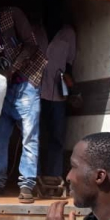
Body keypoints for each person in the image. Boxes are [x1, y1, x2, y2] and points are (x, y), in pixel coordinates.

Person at [0, 1, 47, 203]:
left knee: (29, 137)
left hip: (26, 83)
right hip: (4, 88)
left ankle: (27, 186)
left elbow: (31, 44)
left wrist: (11, 70)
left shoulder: (12, 14)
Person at [40, 24, 77, 181]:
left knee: (57, 136)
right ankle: (36, 176)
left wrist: (69, 80)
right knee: (37, 135)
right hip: (38, 91)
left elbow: (70, 61)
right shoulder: (36, 29)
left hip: (58, 95)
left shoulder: (68, 33)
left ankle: (53, 175)